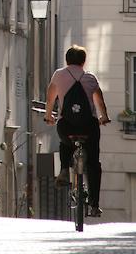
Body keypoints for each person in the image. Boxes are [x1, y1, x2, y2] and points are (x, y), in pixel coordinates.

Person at [44, 44, 111, 217]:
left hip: (66, 125)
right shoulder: (90, 78)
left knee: (65, 142)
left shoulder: (59, 75)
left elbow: (51, 97)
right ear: (83, 61)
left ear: (67, 60)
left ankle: (65, 169)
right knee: (94, 163)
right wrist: (104, 117)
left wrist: (49, 116)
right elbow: (100, 102)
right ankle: (95, 205)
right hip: (88, 126)